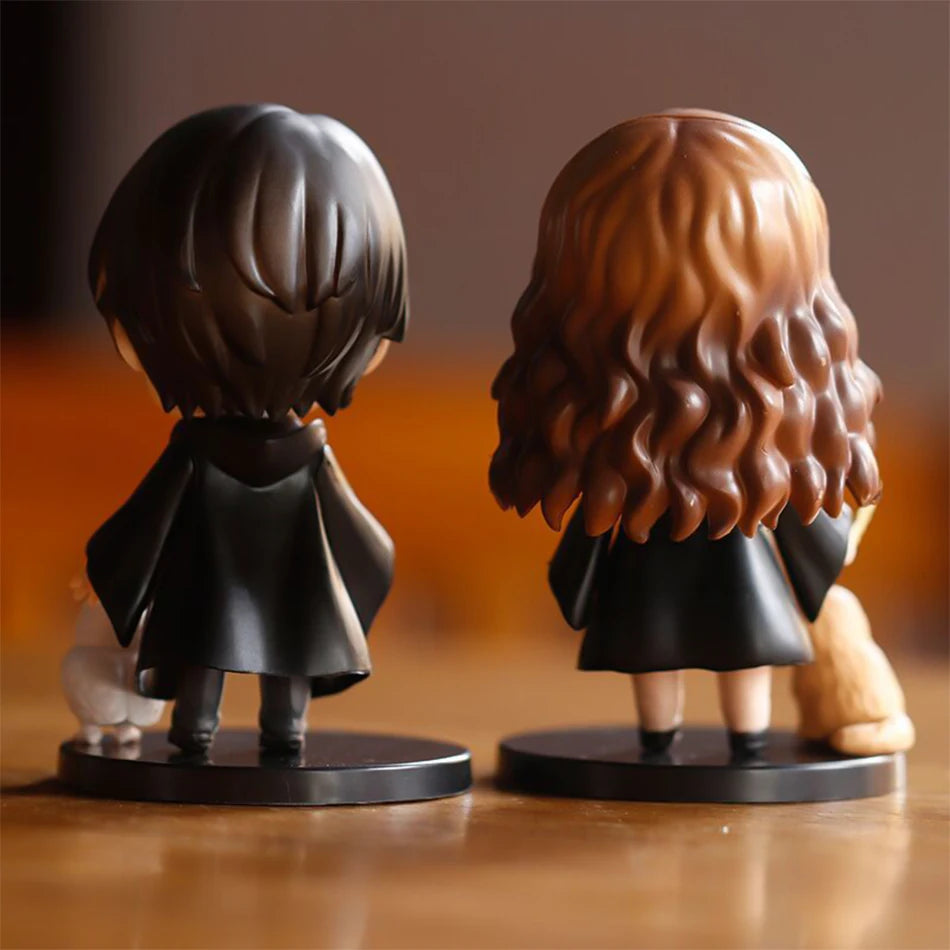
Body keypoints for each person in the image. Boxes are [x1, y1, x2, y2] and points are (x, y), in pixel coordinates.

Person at [489, 110, 882, 758]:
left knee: (732, 648)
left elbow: (796, 499)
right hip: (657, 543)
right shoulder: (618, 431)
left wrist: (824, 526)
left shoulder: (761, 433)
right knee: (661, 647)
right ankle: (673, 738)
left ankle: (738, 740)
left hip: (722, 547)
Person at [84, 104, 408, 754]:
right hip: (294, 595)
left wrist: (113, 567)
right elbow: (361, 542)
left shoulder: (200, 453)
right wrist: (372, 565)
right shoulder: (306, 457)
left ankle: (198, 727)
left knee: (205, 651)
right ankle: (277, 730)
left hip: (207, 595)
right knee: (289, 653)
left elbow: (141, 525)